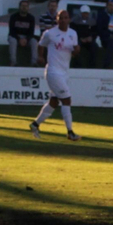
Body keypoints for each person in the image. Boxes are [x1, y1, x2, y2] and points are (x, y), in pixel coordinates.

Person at [30, 9, 81, 141]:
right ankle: (70, 132)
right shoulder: (50, 33)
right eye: (61, 18)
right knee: (66, 100)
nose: (63, 20)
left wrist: (77, 51)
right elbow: (41, 45)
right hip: (53, 72)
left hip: (64, 72)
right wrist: (40, 56)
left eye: (65, 17)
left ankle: (35, 124)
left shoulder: (73, 33)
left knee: (53, 102)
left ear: (69, 19)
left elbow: (74, 52)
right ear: (57, 20)